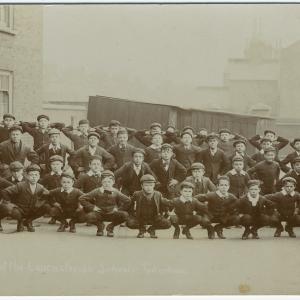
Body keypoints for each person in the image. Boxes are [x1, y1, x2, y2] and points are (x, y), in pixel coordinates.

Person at [79, 170, 130, 237]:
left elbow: (128, 200)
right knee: (89, 216)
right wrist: (93, 207)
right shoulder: (97, 191)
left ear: (113, 182)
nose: (107, 184)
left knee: (125, 215)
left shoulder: (115, 191)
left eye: (109, 182)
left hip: (112, 213)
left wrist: (118, 209)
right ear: (101, 182)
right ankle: (100, 227)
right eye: (104, 182)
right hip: (99, 213)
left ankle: (110, 227)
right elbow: (82, 198)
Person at [0, 164, 49, 232]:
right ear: (27, 176)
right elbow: (5, 192)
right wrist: (9, 203)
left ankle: (28, 221)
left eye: (36, 175)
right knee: (8, 208)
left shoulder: (40, 187)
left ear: (39, 177)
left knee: (47, 207)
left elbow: (48, 195)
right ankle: (20, 222)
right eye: (31, 175)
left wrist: (40, 202)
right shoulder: (20, 185)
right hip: (20, 209)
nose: (34, 177)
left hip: (32, 210)